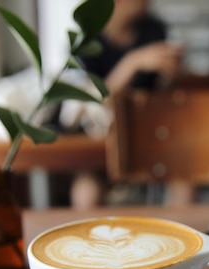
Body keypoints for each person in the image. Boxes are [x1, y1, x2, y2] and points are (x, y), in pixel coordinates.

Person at [69, 0, 184, 209]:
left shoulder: (153, 29)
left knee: (183, 177)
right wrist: (134, 62)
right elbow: (94, 101)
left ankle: (180, 237)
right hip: (100, 136)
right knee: (86, 190)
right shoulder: (87, 39)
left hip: (148, 130)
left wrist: (171, 73)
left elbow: (162, 90)